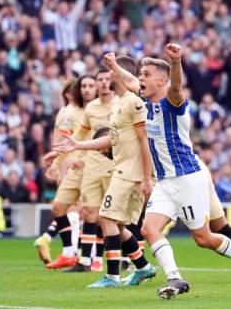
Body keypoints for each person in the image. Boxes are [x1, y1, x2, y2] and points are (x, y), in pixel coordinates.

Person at [105, 46, 231, 299]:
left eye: (146, 74)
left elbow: (176, 88)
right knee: (148, 229)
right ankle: (175, 278)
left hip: (188, 178)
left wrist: (176, 62)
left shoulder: (173, 103)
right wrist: (114, 67)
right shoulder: (147, 101)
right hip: (165, 182)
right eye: (141, 74)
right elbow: (131, 81)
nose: (140, 78)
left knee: (203, 238)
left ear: (161, 81)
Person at [54, 56, 156, 289]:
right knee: (117, 225)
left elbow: (144, 141)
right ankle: (143, 267)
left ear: (118, 75)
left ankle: (112, 277)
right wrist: (78, 145)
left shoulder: (134, 102)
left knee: (107, 219)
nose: (104, 80)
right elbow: (112, 138)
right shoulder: (120, 103)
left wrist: (147, 178)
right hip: (122, 169)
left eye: (109, 74)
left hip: (130, 173)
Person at [36, 76, 96, 268]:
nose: (86, 90)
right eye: (83, 87)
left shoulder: (89, 110)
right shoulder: (71, 112)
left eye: (89, 86)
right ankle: (84, 257)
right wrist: (57, 162)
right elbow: (65, 138)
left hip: (91, 163)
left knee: (87, 212)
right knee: (76, 210)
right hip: (74, 164)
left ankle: (81, 255)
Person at [65, 69, 119, 272]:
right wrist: (72, 148)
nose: (104, 83)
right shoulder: (91, 109)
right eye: (100, 80)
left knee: (116, 216)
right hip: (92, 166)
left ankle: (123, 258)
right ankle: (87, 261)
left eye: (107, 79)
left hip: (115, 166)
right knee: (88, 212)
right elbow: (83, 132)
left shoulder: (120, 105)